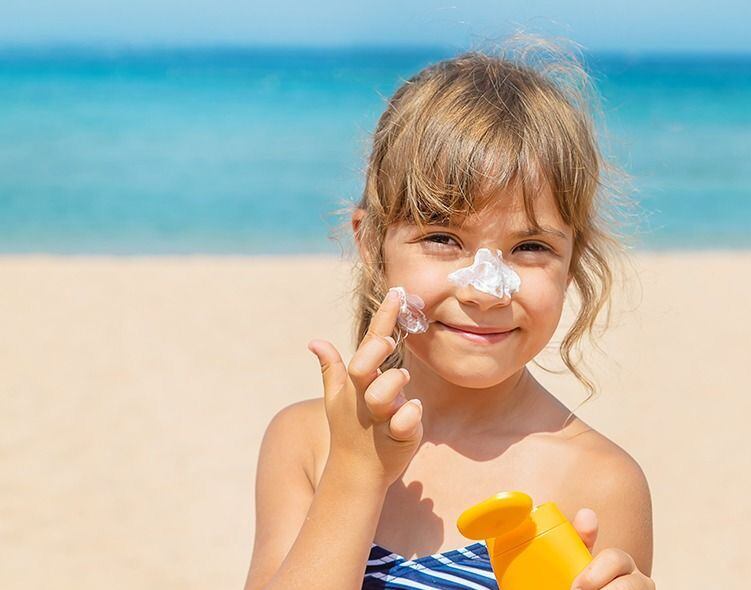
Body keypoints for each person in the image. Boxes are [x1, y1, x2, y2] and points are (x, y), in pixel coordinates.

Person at [243, 33, 655, 590]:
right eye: (442, 238)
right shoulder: (309, 442)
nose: (486, 290)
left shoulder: (601, 481)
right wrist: (356, 474)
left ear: (572, 261)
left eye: (531, 247)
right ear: (371, 245)